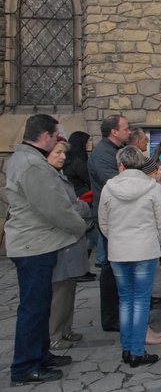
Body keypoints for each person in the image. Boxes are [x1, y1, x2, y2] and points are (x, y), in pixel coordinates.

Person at [6, 114, 87, 385]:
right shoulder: (33, 165)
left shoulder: (27, 160)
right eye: (54, 137)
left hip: (36, 243)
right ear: (44, 136)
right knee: (34, 308)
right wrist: (79, 227)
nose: (55, 143)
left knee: (39, 307)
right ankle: (25, 366)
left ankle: (41, 355)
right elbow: (54, 207)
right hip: (34, 245)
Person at [99, 146, 161, 368]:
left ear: (120, 165)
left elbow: (104, 223)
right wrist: (153, 241)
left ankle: (128, 348)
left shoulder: (108, 188)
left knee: (126, 300)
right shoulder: (152, 188)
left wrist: (117, 239)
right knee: (140, 301)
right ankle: (137, 351)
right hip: (144, 249)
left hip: (119, 250)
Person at [48, 139, 91, 350]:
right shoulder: (48, 179)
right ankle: (54, 335)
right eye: (57, 152)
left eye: (64, 153)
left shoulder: (60, 176)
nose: (62, 157)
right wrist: (81, 208)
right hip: (60, 243)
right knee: (59, 293)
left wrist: (79, 207)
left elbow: (75, 206)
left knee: (69, 289)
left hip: (71, 243)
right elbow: (63, 210)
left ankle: (66, 329)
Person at [89, 114, 131, 332]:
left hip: (118, 216)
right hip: (111, 217)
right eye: (125, 128)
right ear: (114, 131)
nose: (129, 131)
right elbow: (115, 183)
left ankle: (119, 312)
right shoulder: (103, 154)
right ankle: (112, 317)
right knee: (110, 267)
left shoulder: (113, 151)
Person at [62, 131, 97, 282]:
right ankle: (81, 269)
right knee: (89, 235)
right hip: (83, 199)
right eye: (87, 142)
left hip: (77, 198)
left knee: (88, 235)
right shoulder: (78, 162)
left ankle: (82, 268)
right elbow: (89, 179)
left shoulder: (70, 161)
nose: (89, 145)